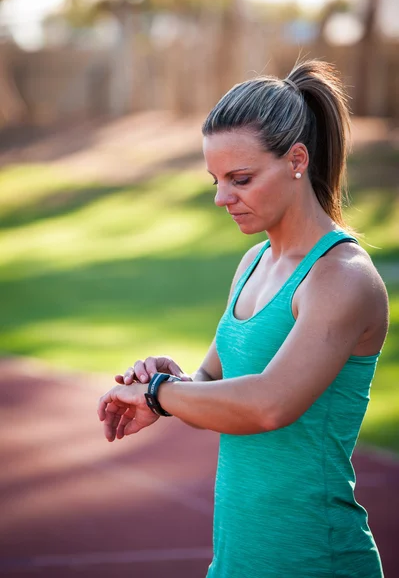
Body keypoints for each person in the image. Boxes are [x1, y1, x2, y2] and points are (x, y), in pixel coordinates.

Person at [97, 59, 389, 577]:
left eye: (241, 178)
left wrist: (157, 393)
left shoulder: (342, 277)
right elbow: (213, 380)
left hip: (314, 560)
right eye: (216, 179)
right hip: (236, 559)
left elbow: (269, 405)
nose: (221, 197)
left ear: (297, 159)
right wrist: (171, 386)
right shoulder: (254, 262)